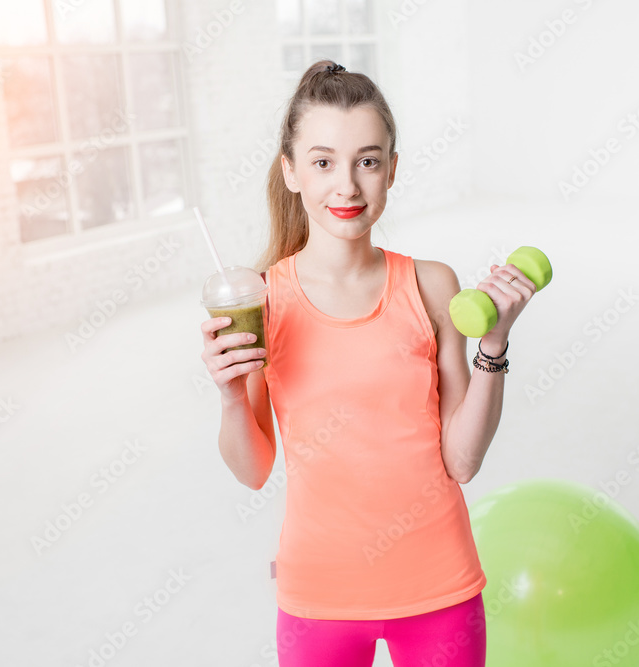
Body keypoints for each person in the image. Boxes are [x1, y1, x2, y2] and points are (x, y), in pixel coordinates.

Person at [199, 60, 537, 667]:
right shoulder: (262, 300)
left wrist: (493, 345)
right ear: (291, 172)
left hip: (439, 587)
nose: (347, 187)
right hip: (318, 596)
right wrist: (228, 396)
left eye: (368, 160)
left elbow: (461, 461)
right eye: (324, 162)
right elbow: (252, 470)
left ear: (392, 171)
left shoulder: (433, 285)